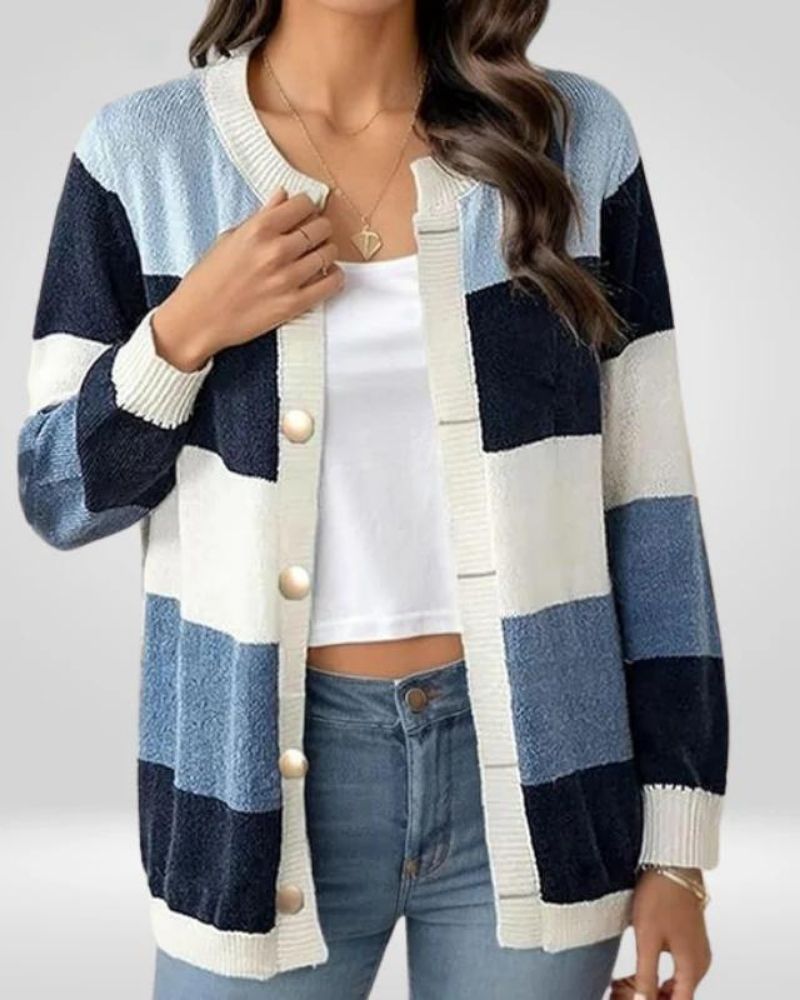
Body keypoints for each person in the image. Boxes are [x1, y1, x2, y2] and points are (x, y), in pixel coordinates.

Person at [16, 1, 729, 998]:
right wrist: (184, 331)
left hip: (543, 775)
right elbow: (57, 494)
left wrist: (676, 851)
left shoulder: (567, 139)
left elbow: (649, 507)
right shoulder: (143, 154)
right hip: (247, 789)